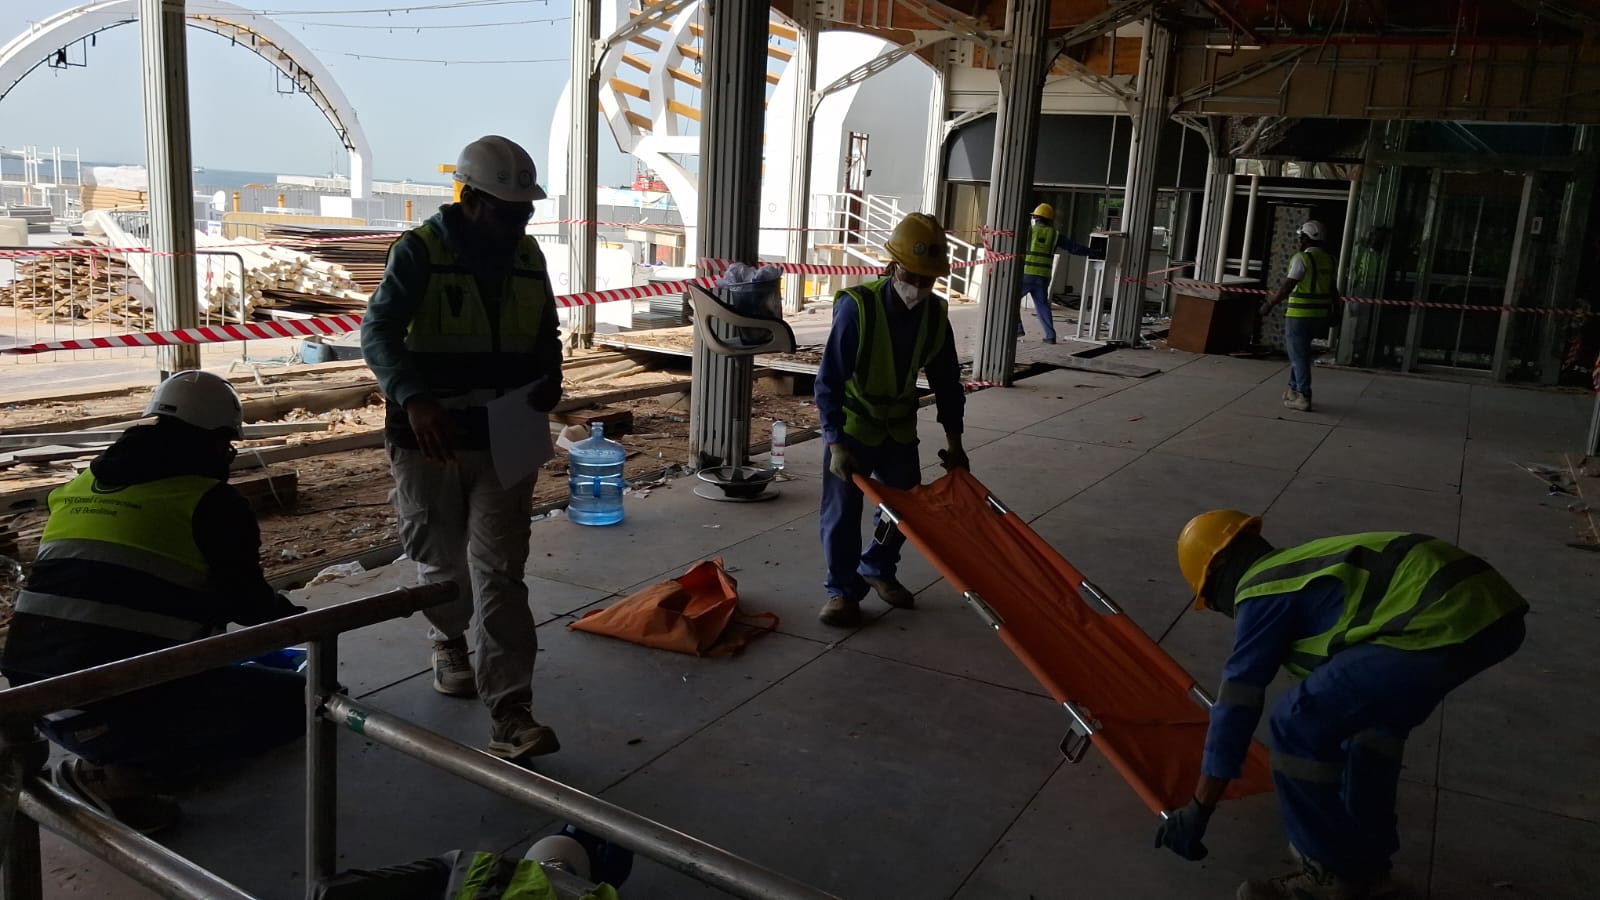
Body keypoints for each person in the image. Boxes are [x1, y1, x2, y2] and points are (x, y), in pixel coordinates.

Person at [1155, 511, 1528, 900]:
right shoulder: (1303, 569)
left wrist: (1200, 806)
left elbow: (1237, 702)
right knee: (1370, 736)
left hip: (1437, 616)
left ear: (1217, 573)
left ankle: (1328, 874)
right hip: (1489, 612)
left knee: (1295, 724)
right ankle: (1368, 869)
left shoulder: (1261, 588)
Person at [0, 371, 308, 834]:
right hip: (110, 710)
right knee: (293, 704)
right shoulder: (209, 503)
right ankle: (121, 777)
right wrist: (310, 624)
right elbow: (252, 608)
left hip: (33, 703)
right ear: (217, 440)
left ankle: (114, 758)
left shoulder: (79, 487)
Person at [361, 135, 564, 762]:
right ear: (471, 200)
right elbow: (378, 330)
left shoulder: (527, 255)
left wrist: (551, 374)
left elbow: (546, 329)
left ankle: (511, 712)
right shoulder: (419, 251)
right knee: (442, 561)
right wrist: (414, 398)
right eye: (507, 212)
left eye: (525, 212)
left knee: (501, 571)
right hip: (433, 436)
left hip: (509, 430)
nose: (518, 224)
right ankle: (449, 638)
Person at [813, 212, 968, 627]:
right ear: (891, 266)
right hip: (854, 426)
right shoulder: (857, 309)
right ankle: (842, 592)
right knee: (843, 513)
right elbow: (828, 381)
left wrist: (955, 443)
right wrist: (835, 442)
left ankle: (877, 567)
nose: (918, 285)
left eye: (927, 278)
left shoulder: (935, 316)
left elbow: (948, 383)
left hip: (898, 429)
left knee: (906, 508)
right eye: (911, 274)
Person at [1262, 221, 1338, 412]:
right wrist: (1336, 312)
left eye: (1301, 237)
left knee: (1299, 357)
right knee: (1300, 353)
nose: (1299, 241)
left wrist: (1270, 304)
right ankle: (1293, 390)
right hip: (1320, 315)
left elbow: (1287, 287)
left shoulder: (1301, 259)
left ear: (1306, 239)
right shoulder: (1330, 260)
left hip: (1300, 315)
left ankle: (1303, 395)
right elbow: (1334, 290)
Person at [1019, 203, 1091, 344]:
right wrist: (1093, 252)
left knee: (1011, 300)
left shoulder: (1029, 231)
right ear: (1049, 220)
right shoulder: (1055, 235)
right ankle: (1050, 336)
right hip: (1043, 277)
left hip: (1026, 275)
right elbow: (1074, 248)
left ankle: (1017, 329)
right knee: (1042, 305)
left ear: (1036, 218)